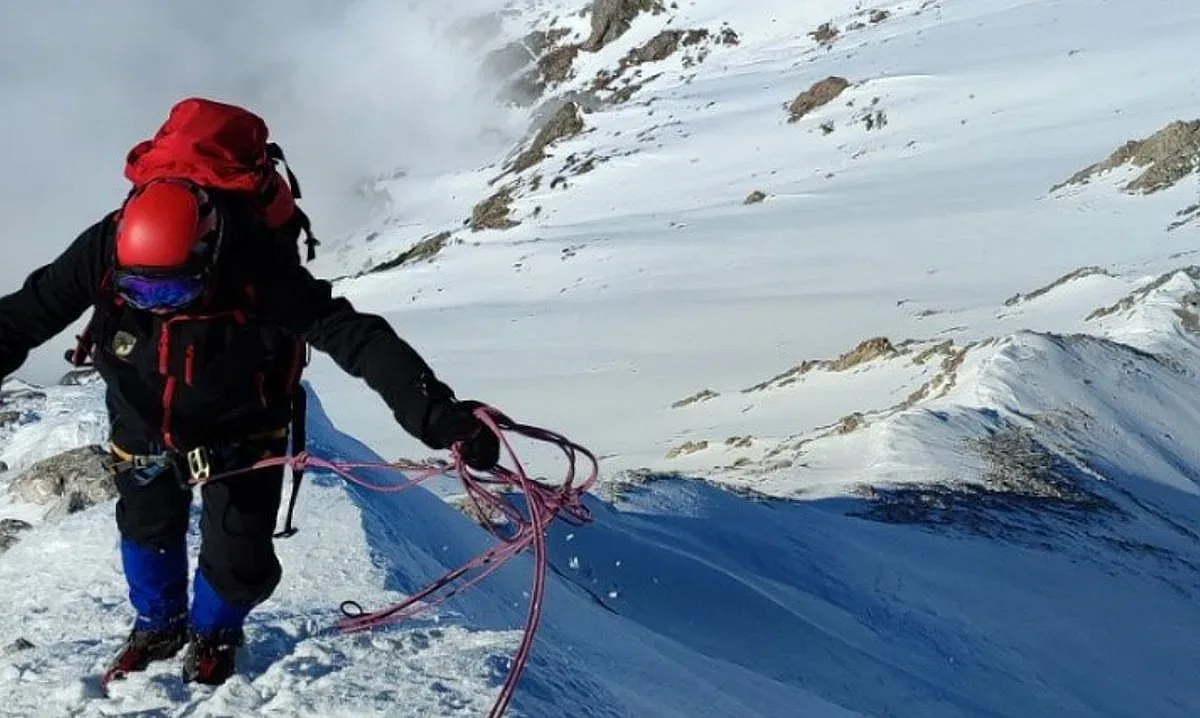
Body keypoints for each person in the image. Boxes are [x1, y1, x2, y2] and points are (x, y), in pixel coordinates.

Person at [0, 98, 499, 687]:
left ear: (206, 251)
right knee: (145, 530)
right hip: (139, 421)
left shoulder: (254, 263)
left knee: (240, 560)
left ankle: (215, 633)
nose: (156, 304)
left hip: (242, 430)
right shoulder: (105, 246)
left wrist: (440, 417)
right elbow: (26, 316)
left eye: (172, 291)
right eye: (141, 292)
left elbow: (355, 336)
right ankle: (156, 626)